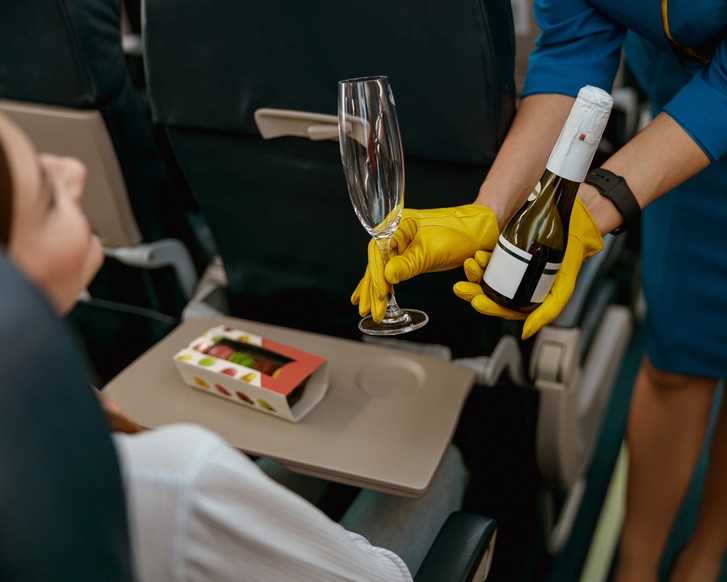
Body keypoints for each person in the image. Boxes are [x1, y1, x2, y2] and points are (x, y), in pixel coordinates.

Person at [353, 1, 727, 580]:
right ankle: (637, 560)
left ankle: (706, 553)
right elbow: (574, 49)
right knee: (674, 359)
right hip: (681, 125)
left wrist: (587, 214)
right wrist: (488, 210)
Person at [0, 111, 466, 581]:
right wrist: (315, 537)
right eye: (46, 191)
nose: (74, 170)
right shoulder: (180, 479)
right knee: (442, 464)